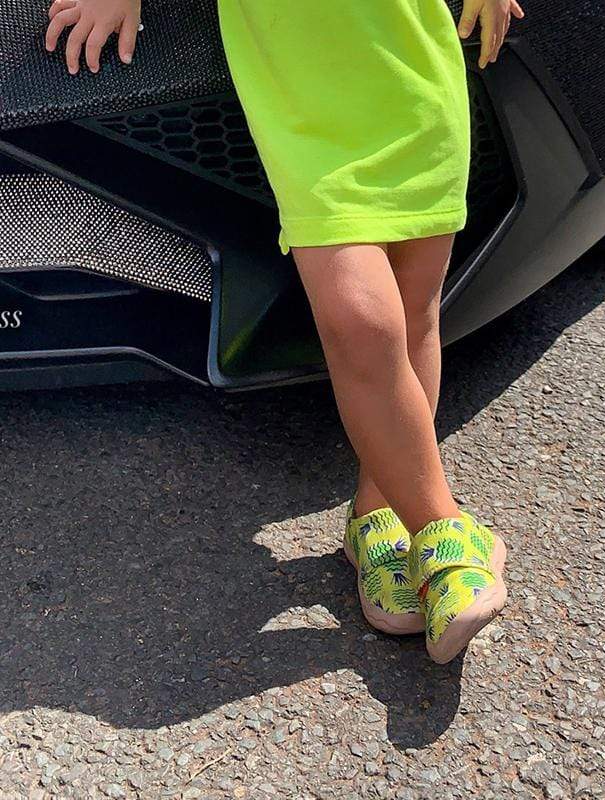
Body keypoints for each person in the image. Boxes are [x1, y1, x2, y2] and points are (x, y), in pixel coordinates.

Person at [44, 0, 523, 664]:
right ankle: (444, 532)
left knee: (413, 315)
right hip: (305, 112)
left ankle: (379, 518)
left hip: (415, 78)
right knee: (361, 320)